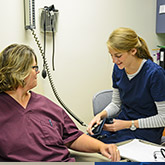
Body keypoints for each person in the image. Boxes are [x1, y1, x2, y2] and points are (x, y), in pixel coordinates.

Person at [0, 44, 120, 162]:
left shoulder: (44, 104)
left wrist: (101, 147)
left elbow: (72, 136)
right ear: (20, 71)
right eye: (34, 68)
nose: (38, 72)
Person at [87, 27, 165, 144]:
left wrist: (129, 124)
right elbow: (116, 104)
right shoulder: (119, 69)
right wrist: (100, 115)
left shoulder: (155, 74)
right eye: (111, 55)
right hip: (122, 125)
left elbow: (163, 118)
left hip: (145, 131)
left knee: (108, 152)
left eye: (118, 56)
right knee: (87, 142)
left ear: (133, 51)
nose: (114, 60)